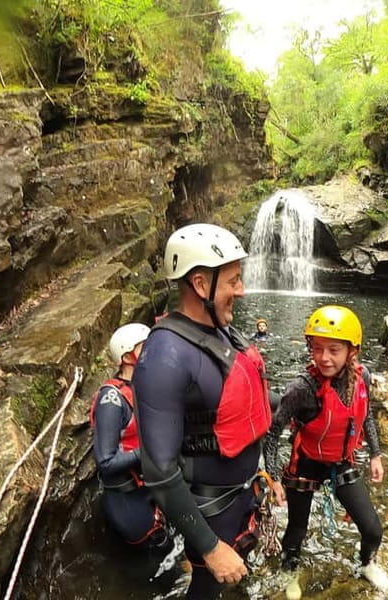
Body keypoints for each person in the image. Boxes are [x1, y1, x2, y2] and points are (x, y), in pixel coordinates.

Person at [132, 223, 272, 599]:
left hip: (243, 493)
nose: (241, 291)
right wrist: (210, 548)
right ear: (199, 284)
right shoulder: (164, 357)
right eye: (233, 281)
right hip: (211, 513)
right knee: (206, 589)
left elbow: (238, 412)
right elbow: (159, 471)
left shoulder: (222, 332)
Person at [264, 305, 388, 600]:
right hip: (305, 463)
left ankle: (368, 564)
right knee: (297, 528)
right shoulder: (302, 388)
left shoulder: (363, 377)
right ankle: (290, 569)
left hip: (339, 461)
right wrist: (273, 477)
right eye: (317, 348)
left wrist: (375, 453)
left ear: (351, 351)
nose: (323, 358)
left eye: (333, 350)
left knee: (372, 530)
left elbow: (365, 414)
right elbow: (273, 431)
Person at [90, 323, 170, 551]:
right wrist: (147, 452)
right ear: (127, 356)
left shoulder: (144, 386)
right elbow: (105, 461)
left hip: (149, 487)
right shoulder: (112, 401)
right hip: (127, 498)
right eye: (146, 346)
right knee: (152, 552)